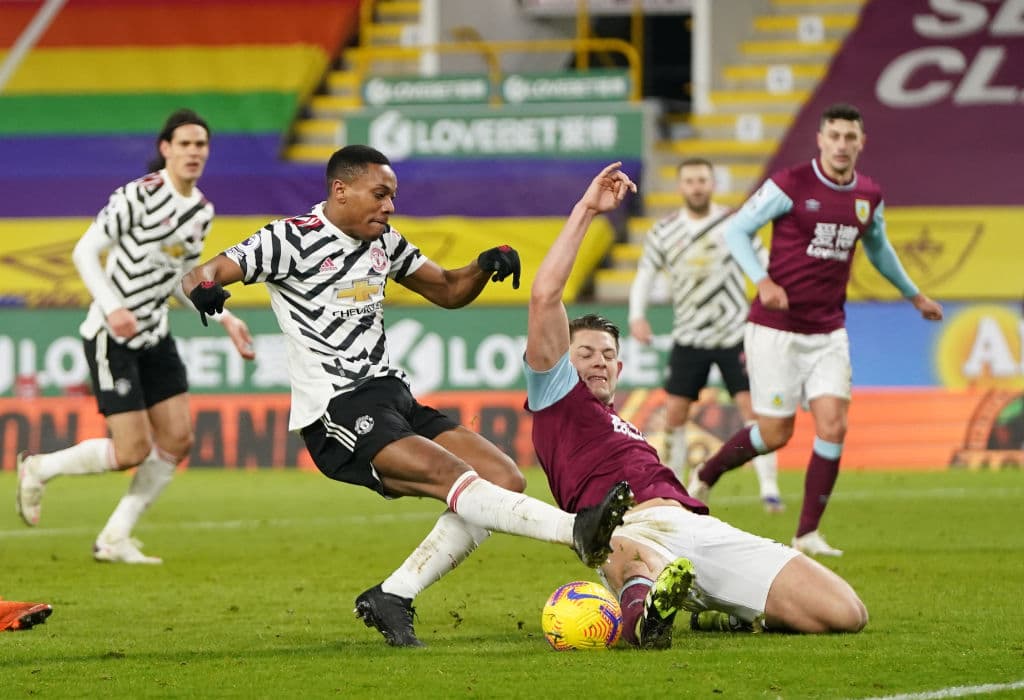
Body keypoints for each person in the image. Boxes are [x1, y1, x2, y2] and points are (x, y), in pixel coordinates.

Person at [180, 144, 633, 647]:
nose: (389, 206)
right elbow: (203, 272)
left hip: (393, 397)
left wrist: (483, 265)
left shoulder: (384, 243)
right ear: (341, 190)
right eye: (379, 194)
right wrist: (205, 288)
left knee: (503, 477)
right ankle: (575, 530)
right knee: (455, 478)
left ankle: (393, 594)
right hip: (338, 407)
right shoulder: (289, 238)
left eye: (392, 196)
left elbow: (445, 288)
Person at [524, 162, 868, 649]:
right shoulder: (557, 399)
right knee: (627, 558)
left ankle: (716, 614)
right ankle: (643, 612)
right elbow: (544, 296)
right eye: (584, 354)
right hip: (626, 531)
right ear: (562, 363)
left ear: (620, 371)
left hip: (696, 526)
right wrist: (586, 210)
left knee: (846, 612)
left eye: (607, 356)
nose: (598, 363)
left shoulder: (624, 426)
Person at [686, 103, 944, 557]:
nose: (842, 145)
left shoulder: (868, 195)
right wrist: (762, 281)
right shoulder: (790, 184)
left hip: (828, 330)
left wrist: (914, 295)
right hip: (776, 330)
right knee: (776, 434)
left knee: (833, 424)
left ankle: (806, 534)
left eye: (850, 137)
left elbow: (880, 250)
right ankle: (707, 473)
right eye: (835, 136)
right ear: (821, 140)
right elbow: (737, 230)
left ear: (861, 143)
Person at [15, 109, 256, 564]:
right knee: (131, 450)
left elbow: (178, 278)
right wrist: (113, 307)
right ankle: (39, 467)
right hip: (112, 334)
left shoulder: (201, 212)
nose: (193, 152)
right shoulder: (137, 196)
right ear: (165, 148)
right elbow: (85, 251)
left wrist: (224, 316)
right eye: (184, 144)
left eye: (200, 144)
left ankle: (114, 538)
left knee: (179, 439)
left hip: (154, 334)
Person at [628, 157, 782, 512]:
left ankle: (769, 489)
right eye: (690, 181)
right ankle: (677, 485)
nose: (697, 186)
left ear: (712, 184)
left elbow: (766, 263)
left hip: (734, 334)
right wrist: (638, 316)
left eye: (702, 180)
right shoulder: (664, 231)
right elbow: (645, 275)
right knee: (676, 413)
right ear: (681, 187)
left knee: (751, 409)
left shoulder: (734, 224)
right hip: (689, 337)